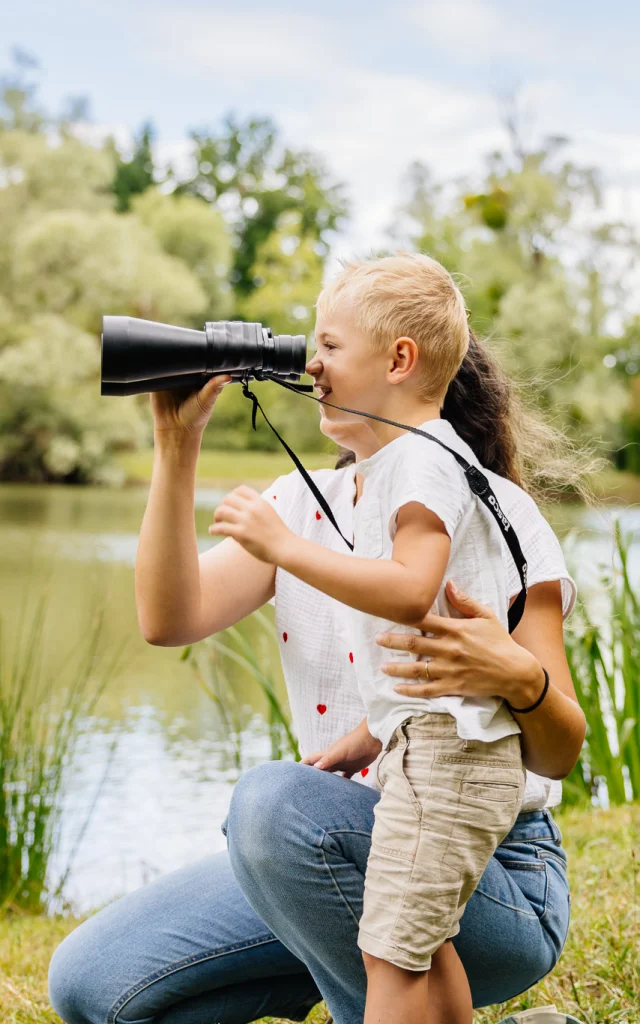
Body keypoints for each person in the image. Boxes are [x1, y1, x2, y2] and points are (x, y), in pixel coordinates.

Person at [48, 251, 592, 1024]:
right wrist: (177, 446)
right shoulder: (298, 507)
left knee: (270, 803)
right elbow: (168, 620)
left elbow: (561, 749)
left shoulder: (489, 511)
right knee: (93, 987)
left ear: (399, 360)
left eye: (328, 346)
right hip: (320, 849)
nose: (309, 365)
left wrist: (519, 680)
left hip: (491, 867)